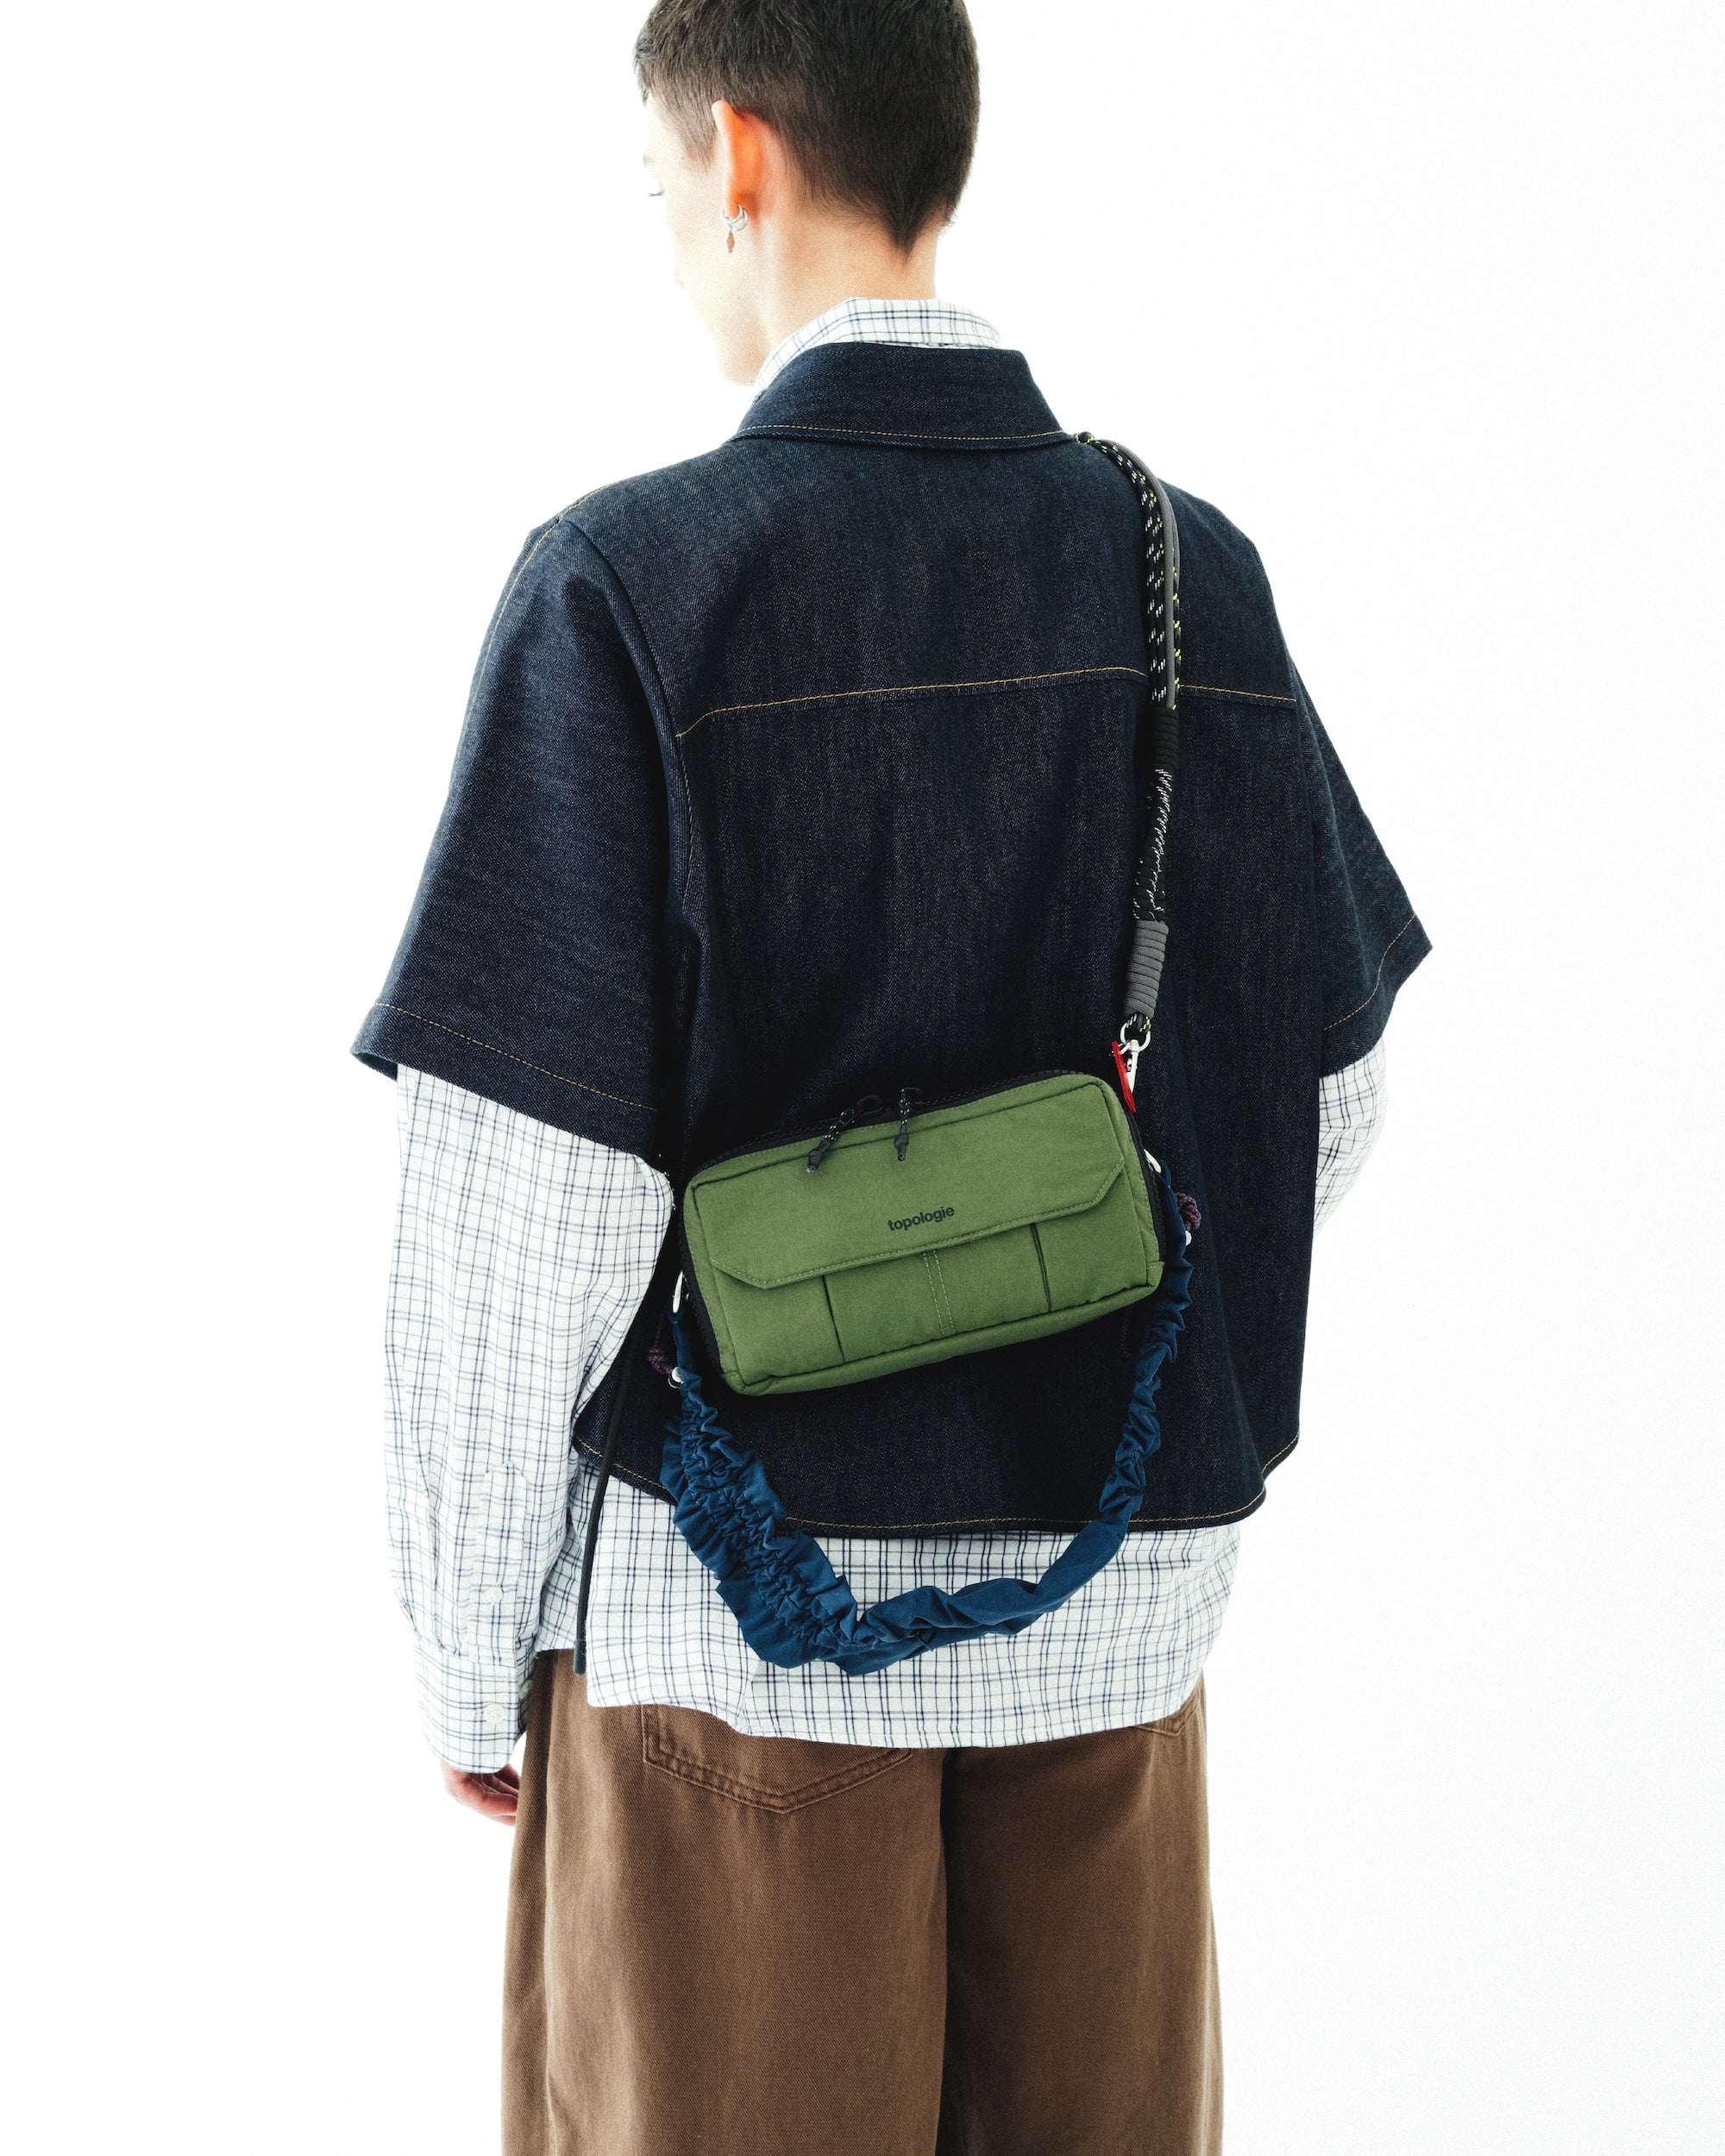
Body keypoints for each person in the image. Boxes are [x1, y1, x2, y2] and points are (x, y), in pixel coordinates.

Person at [353, 3, 1429, 2149]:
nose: (667, 232)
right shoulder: (1187, 575)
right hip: (1112, 1630)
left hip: (724, 1645)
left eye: (658, 182)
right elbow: (1325, 1090)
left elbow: (523, 1210)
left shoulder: (626, 590)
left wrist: (474, 1658)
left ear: (741, 156)